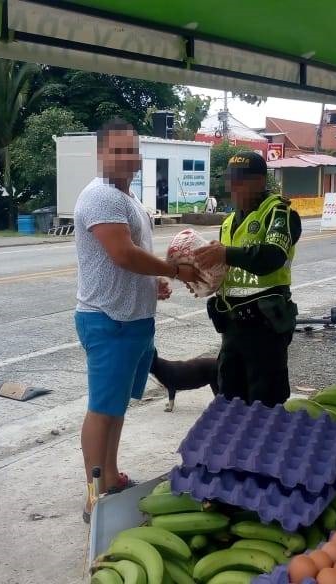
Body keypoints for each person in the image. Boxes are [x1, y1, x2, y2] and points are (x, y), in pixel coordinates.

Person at [74, 119, 200, 522]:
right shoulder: (101, 197)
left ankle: (111, 476)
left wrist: (155, 283)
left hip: (133, 320)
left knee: (115, 409)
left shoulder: (128, 199)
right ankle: (94, 494)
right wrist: (175, 270)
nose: (128, 158)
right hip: (110, 321)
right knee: (101, 408)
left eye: (132, 150)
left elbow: (133, 261)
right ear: (101, 155)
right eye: (118, 151)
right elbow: (123, 255)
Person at [193, 151, 302, 407]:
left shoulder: (279, 213)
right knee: (230, 397)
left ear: (259, 181)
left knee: (265, 400)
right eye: (230, 180)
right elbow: (226, 268)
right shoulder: (229, 221)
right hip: (232, 328)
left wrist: (225, 253)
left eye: (240, 180)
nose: (233, 186)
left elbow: (272, 256)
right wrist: (202, 280)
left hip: (265, 327)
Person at [149, 351, 219, 412]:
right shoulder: (165, 367)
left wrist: (170, 407)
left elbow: (171, 388)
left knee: (216, 386)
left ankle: (171, 405)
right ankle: (222, 403)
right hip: (204, 369)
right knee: (216, 385)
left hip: (208, 369)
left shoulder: (165, 371)